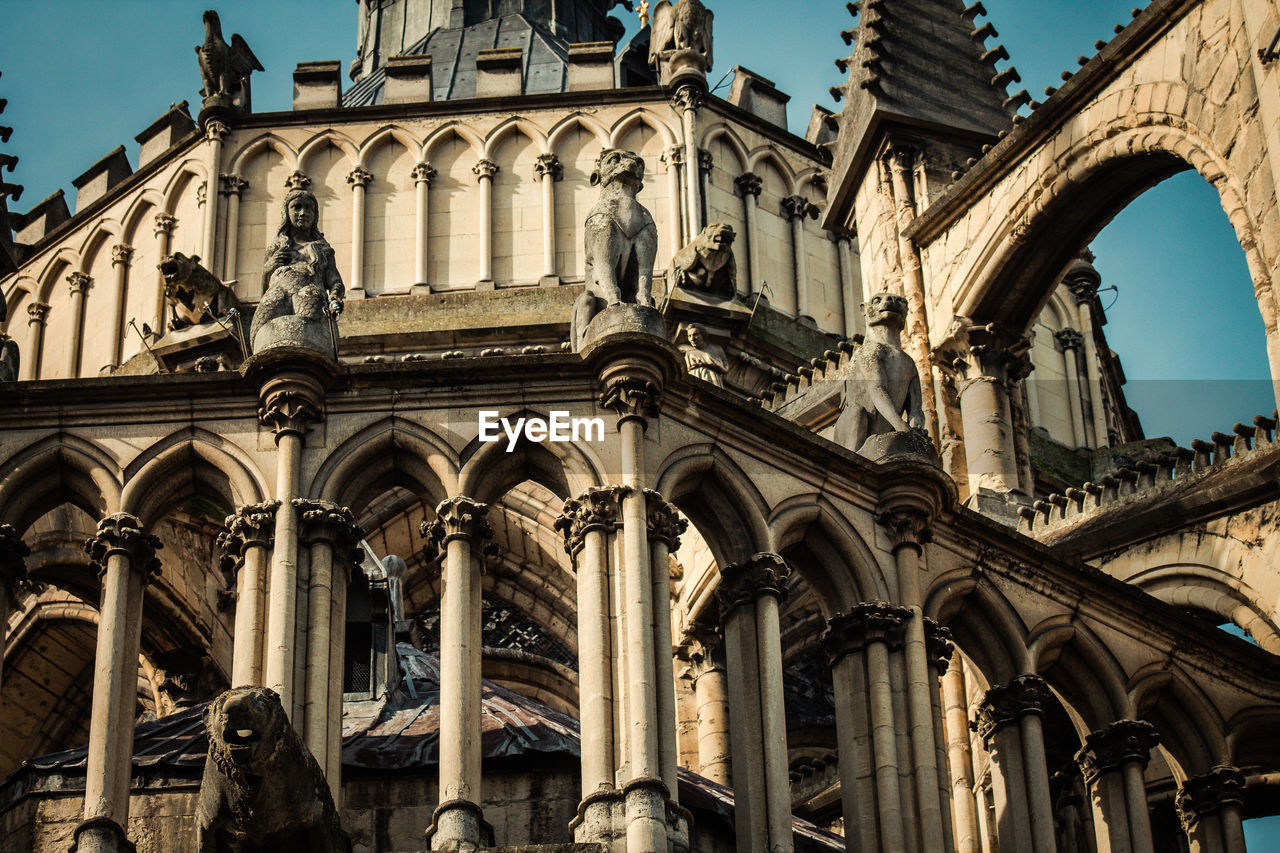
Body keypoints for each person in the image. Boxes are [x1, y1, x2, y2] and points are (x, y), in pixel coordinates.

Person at [249, 188, 344, 354]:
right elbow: (264, 288)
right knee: (262, 330)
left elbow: (335, 281)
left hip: (308, 291)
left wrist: (335, 298)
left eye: (309, 209)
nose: (303, 213)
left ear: (315, 215)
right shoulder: (276, 247)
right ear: (287, 212)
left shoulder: (323, 249)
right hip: (278, 291)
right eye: (297, 207)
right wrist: (268, 268)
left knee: (309, 337)